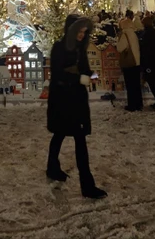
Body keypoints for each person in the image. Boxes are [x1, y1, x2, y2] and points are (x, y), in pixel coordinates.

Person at [46, 15, 107, 199]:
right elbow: (57, 75)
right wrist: (78, 78)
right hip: (64, 100)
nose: (82, 35)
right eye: (79, 32)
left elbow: (84, 69)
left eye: (84, 32)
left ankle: (53, 168)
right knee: (71, 138)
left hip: (76, 101)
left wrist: (92, 75)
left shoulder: (80, 48)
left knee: (64, 135)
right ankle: (86, 186)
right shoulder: (59, 48)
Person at [117, 10, 142, 111]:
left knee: (130, 85)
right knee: (136, 85)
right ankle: (139, 104)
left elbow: (120, 48)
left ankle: (132, 105)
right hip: (137, 62)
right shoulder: (133, 33)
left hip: (129, 63)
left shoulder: (125, 34)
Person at [140, 15, 155, 110]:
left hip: (150, 62)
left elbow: (146, 50)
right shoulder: (154, 33)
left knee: (153, 82)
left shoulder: (147, 34)